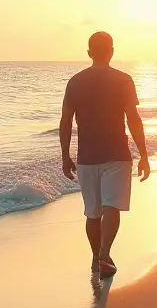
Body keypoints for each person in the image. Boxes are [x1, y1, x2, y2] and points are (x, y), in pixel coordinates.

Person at [60, 31, 150, 279]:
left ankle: (96, 256)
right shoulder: (124, 80)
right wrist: (144, 154)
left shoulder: (75, 82)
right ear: (112, 51)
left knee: (93, 212)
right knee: (112, 207)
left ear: (89, 53)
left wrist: (65, 155)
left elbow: (66, 121)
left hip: (87, 158)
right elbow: (133, 118)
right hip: (117, 154)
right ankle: (104, 254)